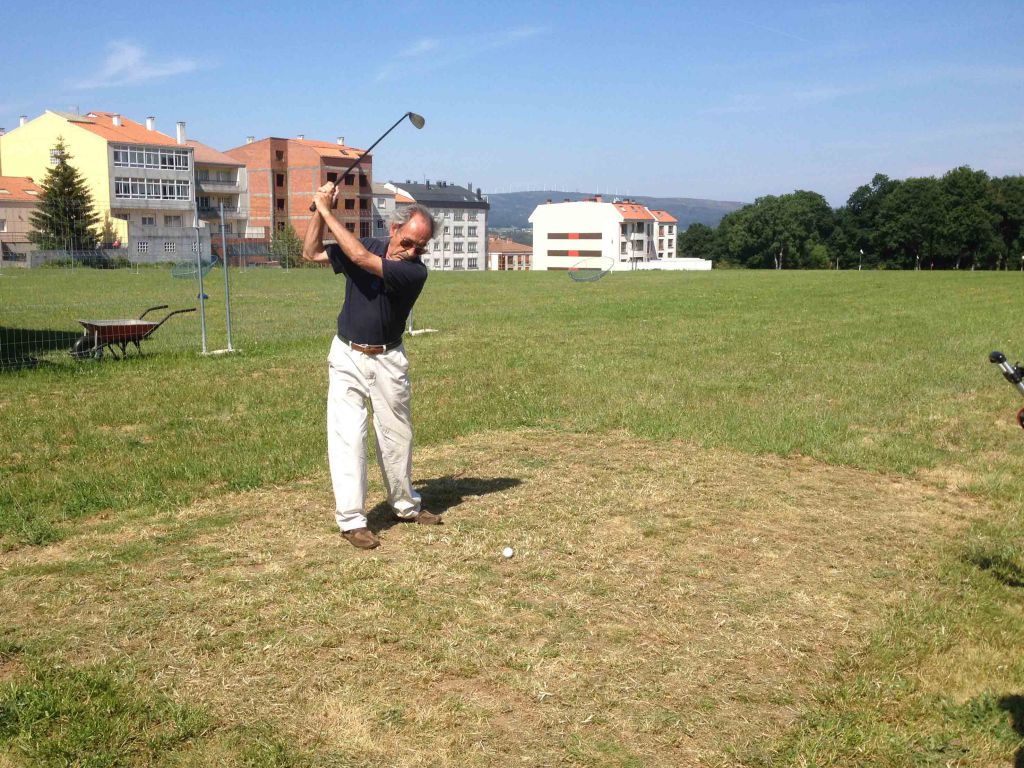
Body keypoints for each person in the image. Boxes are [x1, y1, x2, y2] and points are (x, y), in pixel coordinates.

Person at [303, 182, 440, 549]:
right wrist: (320, 212)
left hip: (388, 359)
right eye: (407, 242)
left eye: (420, 247)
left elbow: (362, 259)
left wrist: (327, 209)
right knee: (348, 436)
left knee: (397, 437)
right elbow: (310, 252)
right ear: (394, 229)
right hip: (346, 353)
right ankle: (352, 522)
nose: (411, 252)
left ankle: (405, 506)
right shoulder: (367, 245)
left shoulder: (414, 273)